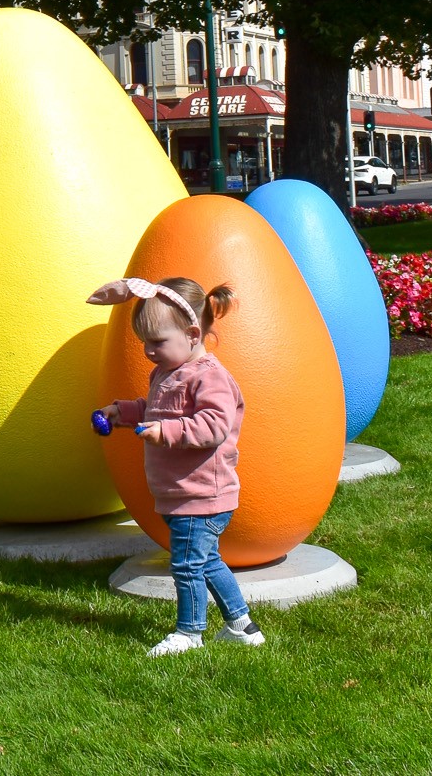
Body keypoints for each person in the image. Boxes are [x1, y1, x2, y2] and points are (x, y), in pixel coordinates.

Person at [88, 274, 266, 657]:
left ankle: (189, 632)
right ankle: (242, 625)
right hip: (179, 492)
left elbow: (213, 426)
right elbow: (156, 410)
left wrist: (165, 431)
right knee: (207, 561)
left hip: (202, 493)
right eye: (144, 343)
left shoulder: (210, 377)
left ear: (190, 333)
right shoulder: (167, 372)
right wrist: (122, 412)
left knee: (185, 567)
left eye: (157, 342)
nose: (148, 351)